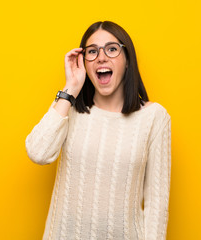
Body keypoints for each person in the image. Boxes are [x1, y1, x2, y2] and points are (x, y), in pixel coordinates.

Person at [25, 21, 171, 240]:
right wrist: (70, 89)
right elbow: (38, 152)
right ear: (84, 63)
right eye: (92, 52)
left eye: (112, 49)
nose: (101, 57)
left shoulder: (153, 117)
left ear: (127, 60)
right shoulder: (69, 107)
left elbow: (157, 206)